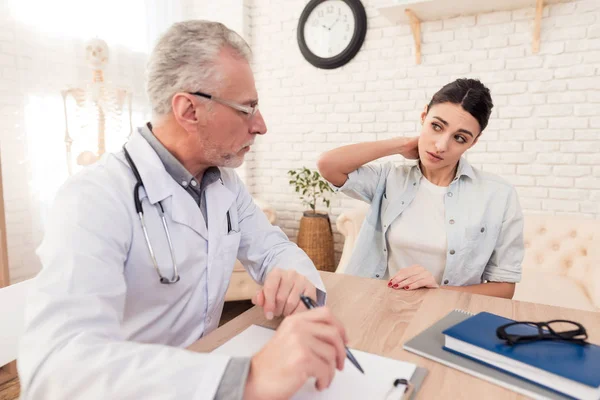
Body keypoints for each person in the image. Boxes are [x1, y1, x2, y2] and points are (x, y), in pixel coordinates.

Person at [18, 20, 348, 400]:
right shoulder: (94, 198)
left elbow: (274, 249)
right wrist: (249, 377)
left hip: (205, 365)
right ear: (189, 110)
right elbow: (55, 366)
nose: (261, 125)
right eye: (248, 108)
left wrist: (296, 280)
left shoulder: (224, 183)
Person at [318, 78, 524, 299]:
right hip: (375, 304)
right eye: (436, 126)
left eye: (460, 138)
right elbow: (328, 165)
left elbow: (504, 288)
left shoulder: (499, 195)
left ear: (473, 142)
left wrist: (437, 292)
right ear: (424, 116)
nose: (441, 146)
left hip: (444, 313)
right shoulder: (389, 178)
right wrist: (401, 144)